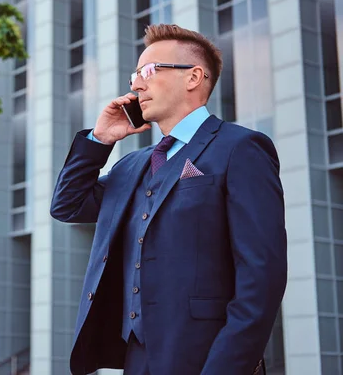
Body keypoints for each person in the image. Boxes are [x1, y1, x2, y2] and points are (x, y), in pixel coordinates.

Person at [50, 24, 287, 375]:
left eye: (148, 71)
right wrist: (100, 139)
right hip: (137, 359)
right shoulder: (131, 166)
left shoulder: (241, 149)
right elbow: (67, 205)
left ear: (193, 77)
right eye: (135, 74)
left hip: (207, 359)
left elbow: (261, 276)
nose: (135, 84)